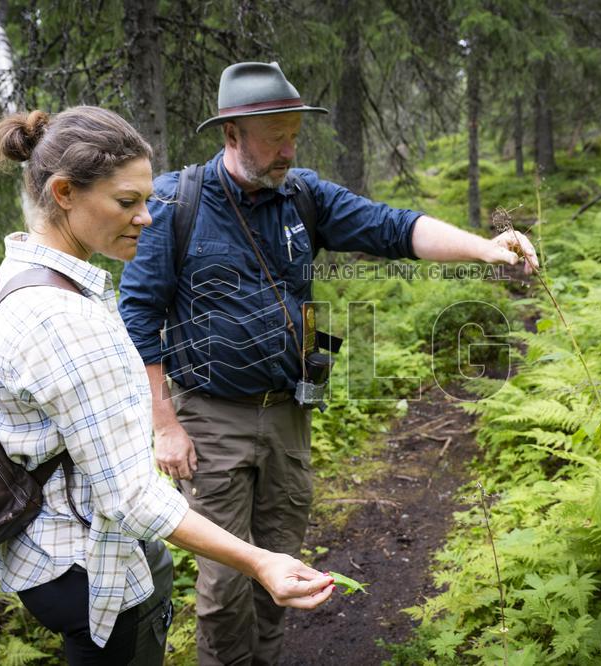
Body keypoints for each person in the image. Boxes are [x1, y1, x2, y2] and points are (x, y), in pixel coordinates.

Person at [118, 61, 539, 665]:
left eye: (295, 133)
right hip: (209, 418)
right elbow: (137, 318)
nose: (289, 148)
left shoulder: (303, 193)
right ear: (232, 133)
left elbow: (393, 228)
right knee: (226, 583)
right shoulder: (174, 203)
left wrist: (485, 249)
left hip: (290, 411)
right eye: (276, 137)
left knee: (281, 564)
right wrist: (165, 425)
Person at [0, 105, 334, 665]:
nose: (146, 217)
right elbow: (132, 498)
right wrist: (260, 562)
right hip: (93, 570)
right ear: (65, 192)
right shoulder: (63, 319)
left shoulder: (20, 279)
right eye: (127, 202)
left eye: (147, 199)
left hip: (54, 551)